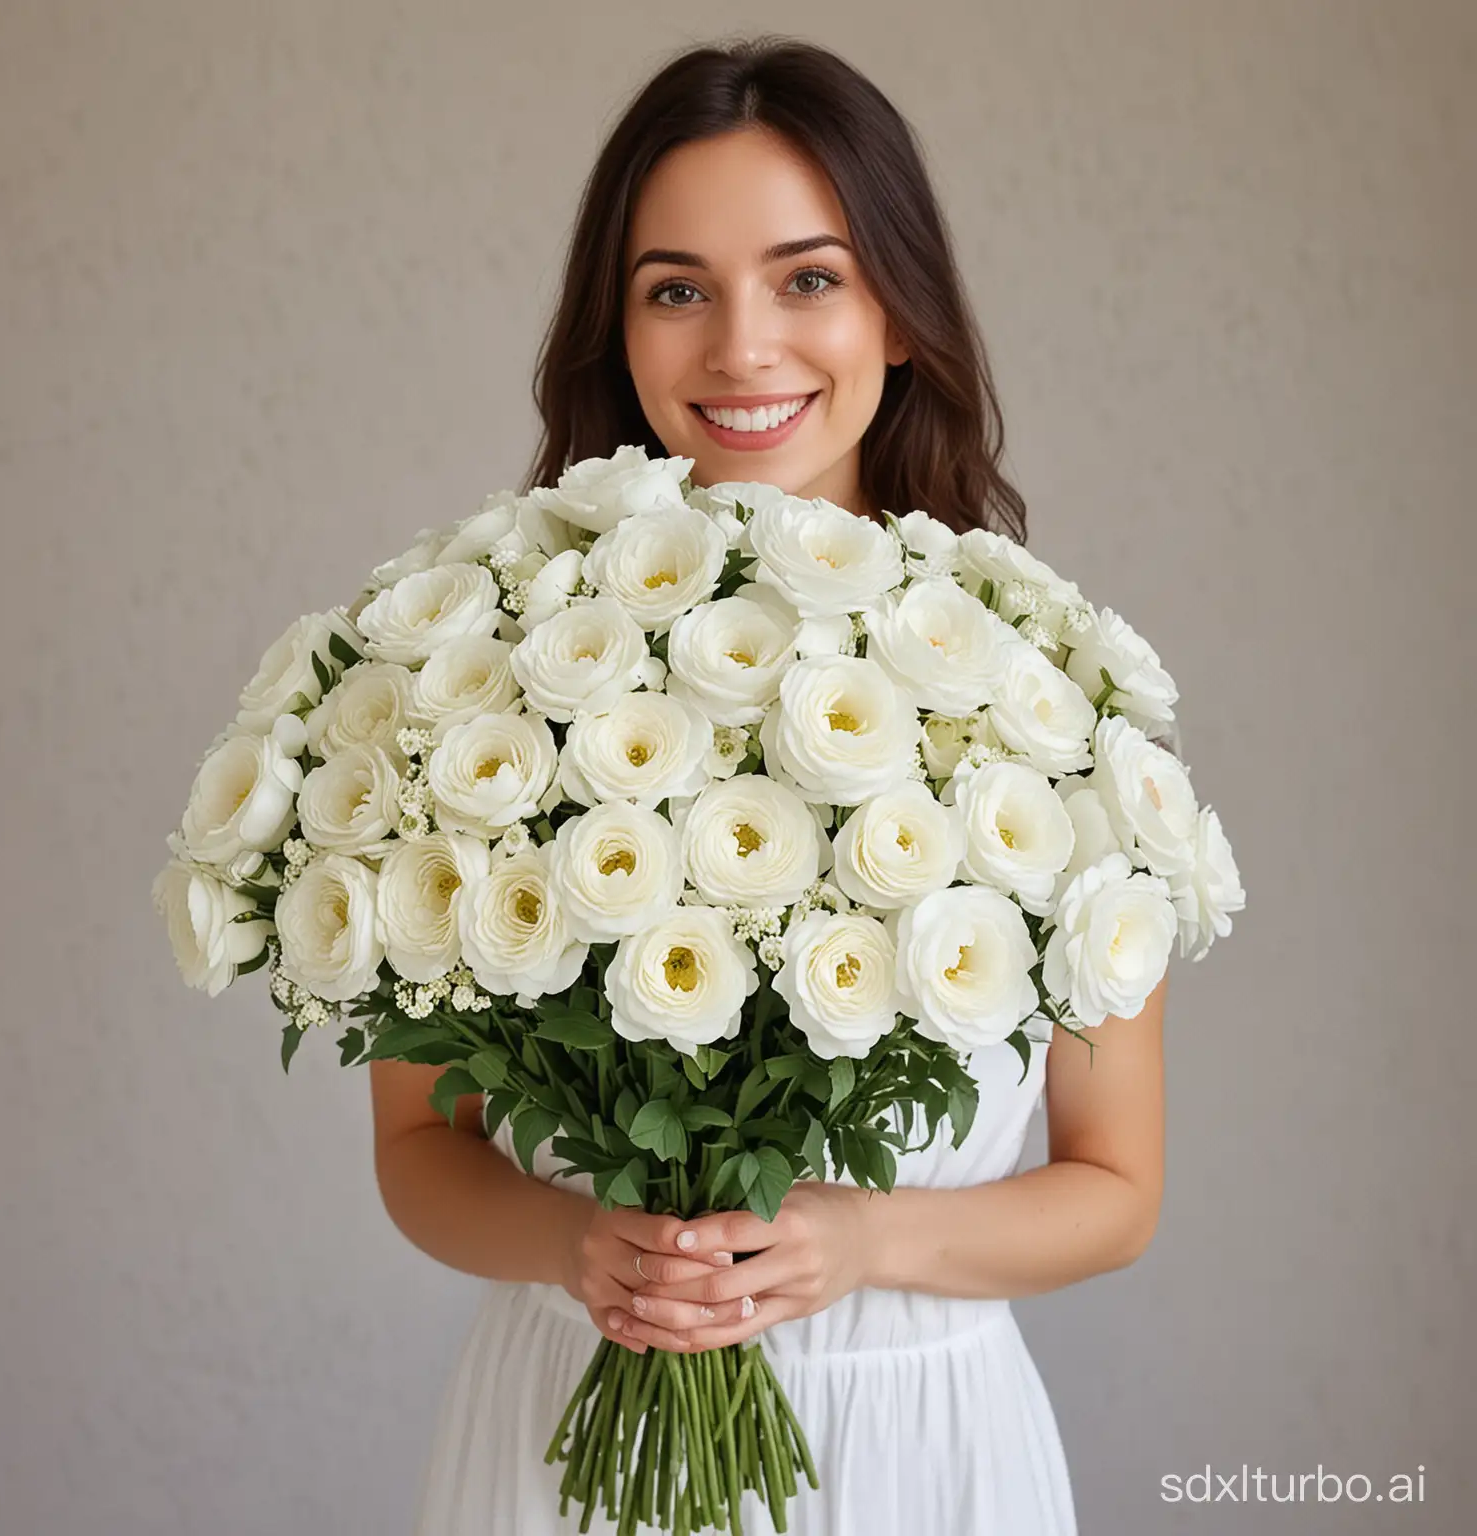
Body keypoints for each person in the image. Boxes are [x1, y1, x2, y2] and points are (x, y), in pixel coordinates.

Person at [371, 34, 1166, 1535]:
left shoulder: (1052, 704)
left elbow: (1118, 1186)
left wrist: (866, 1242)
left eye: (809, 278)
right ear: (620, 330)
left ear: (902, 314)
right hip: (557, 1441)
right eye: (679, 289)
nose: (742, 349)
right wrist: (570, 1241)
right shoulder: (488, 676)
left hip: (918, 1452)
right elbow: (419, 1152)